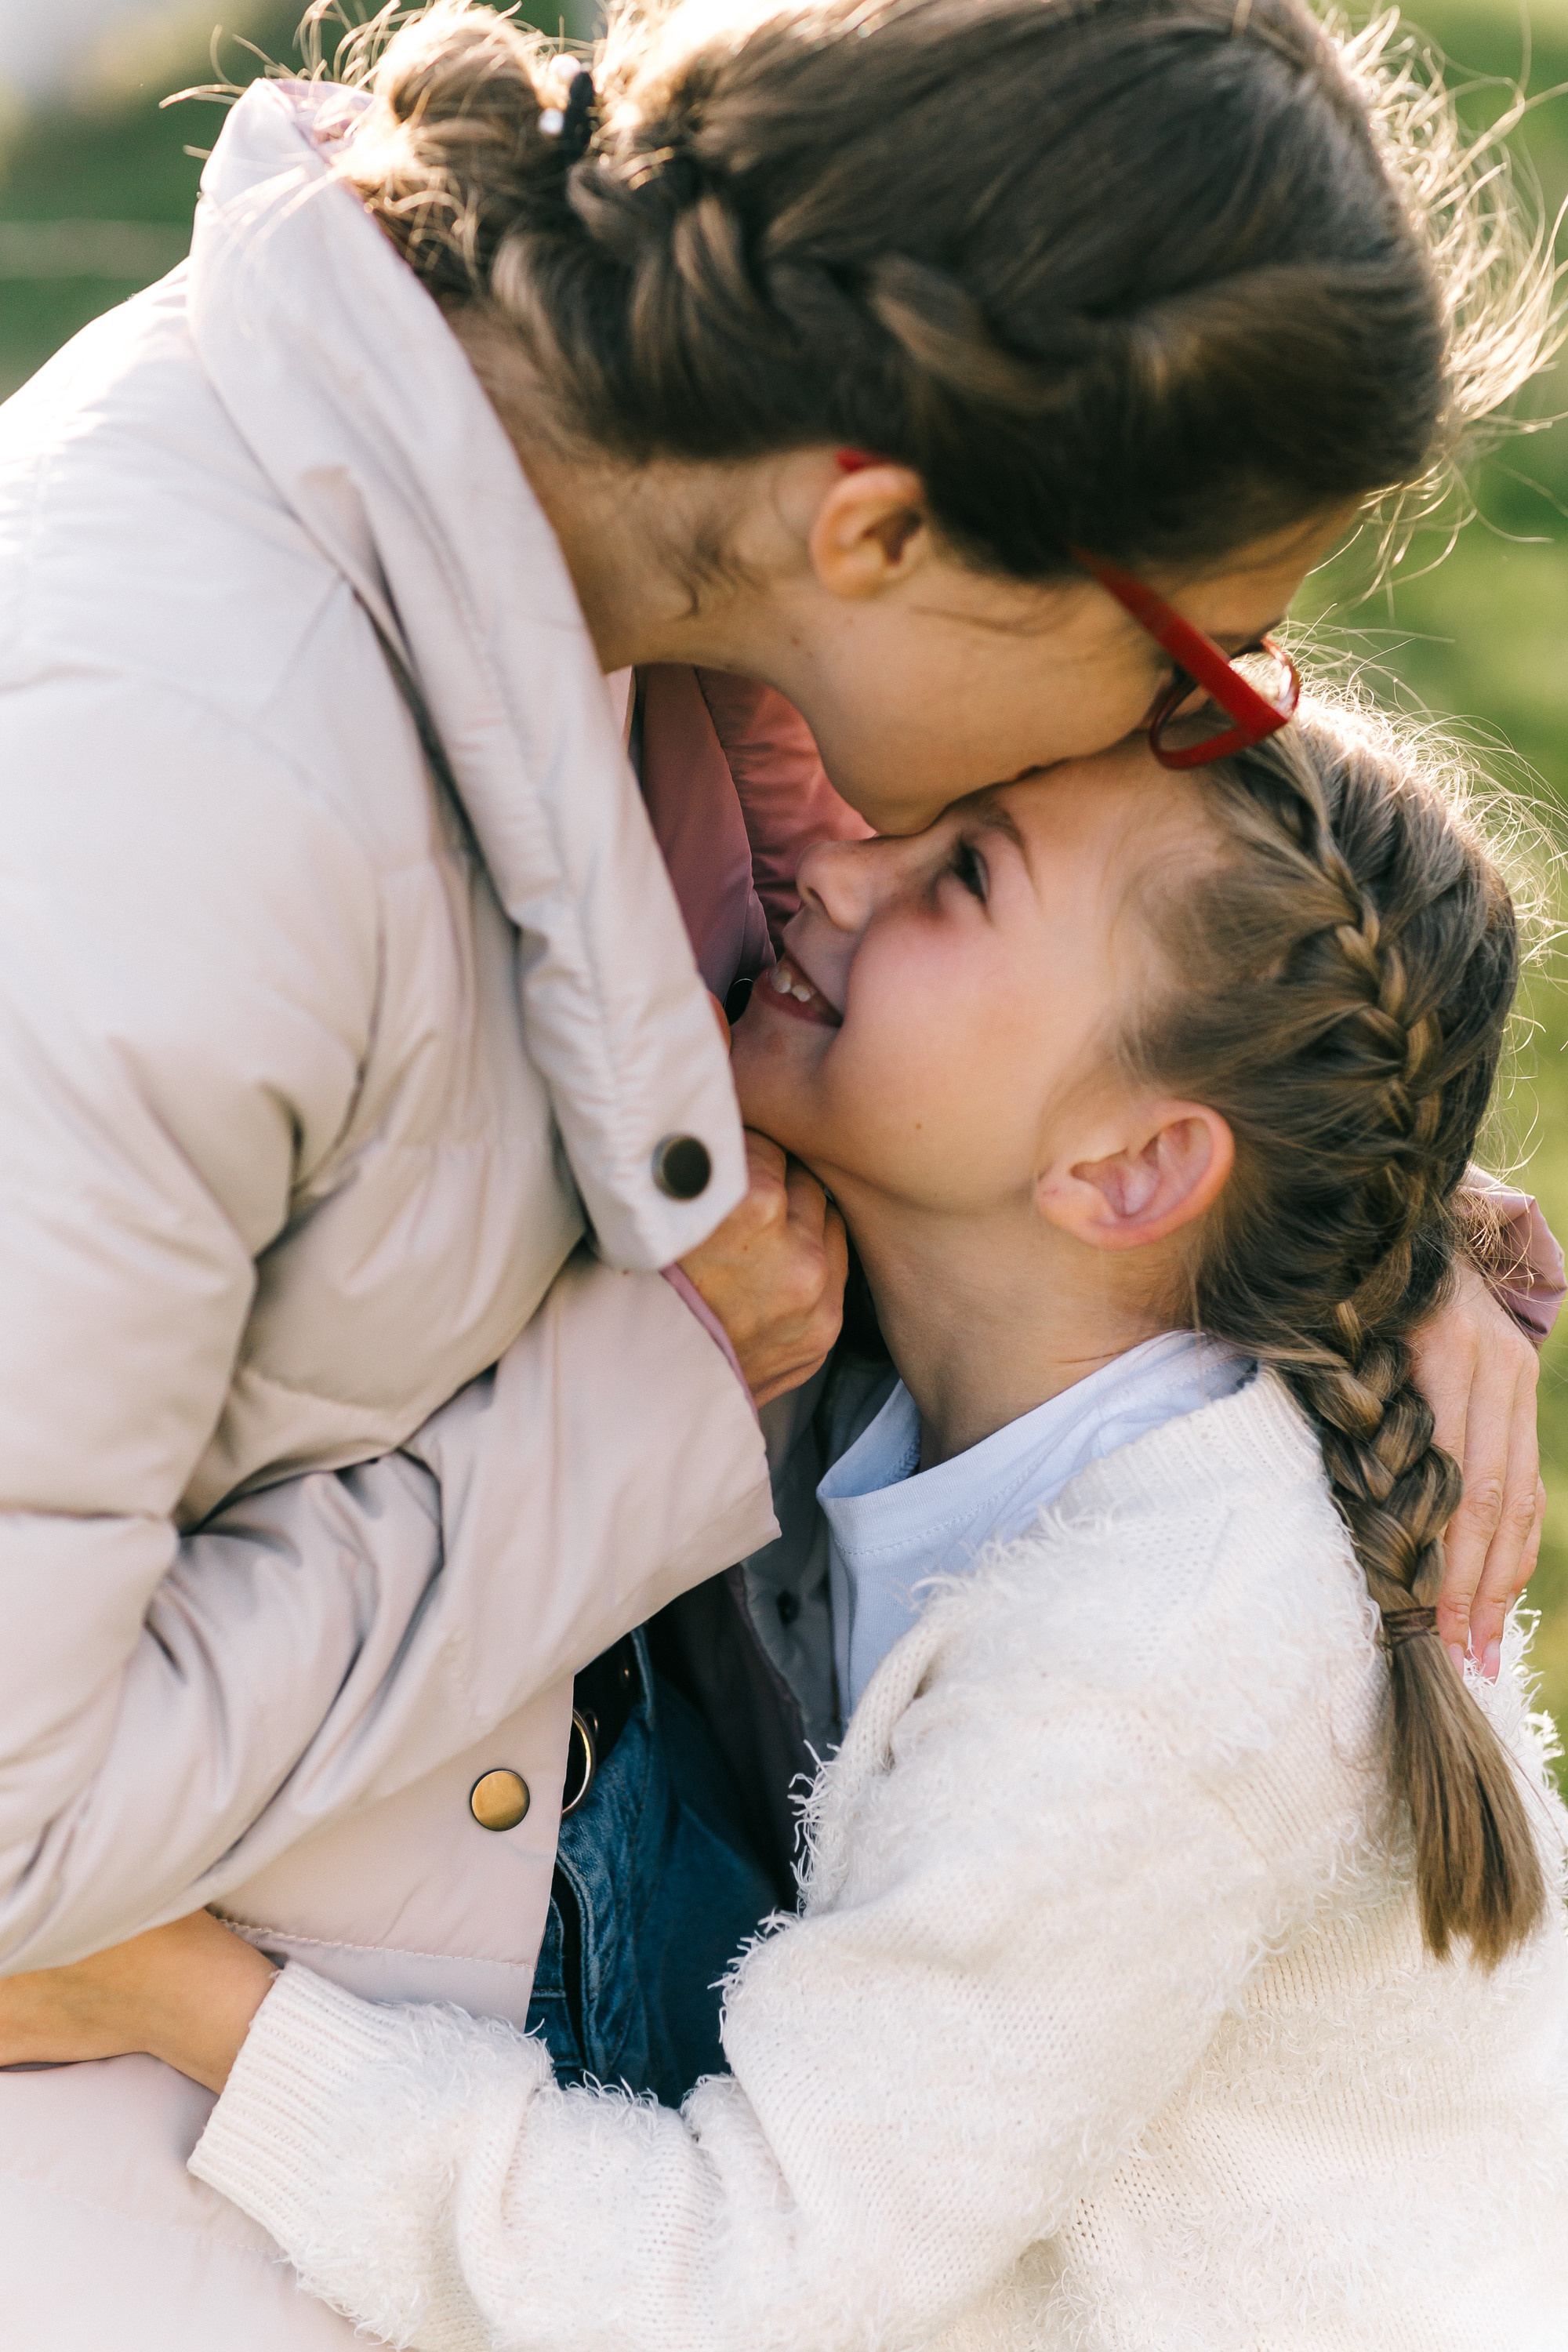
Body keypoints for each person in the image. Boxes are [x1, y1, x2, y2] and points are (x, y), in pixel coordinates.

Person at [0, 0, 1558, 2337]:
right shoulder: (182, 805)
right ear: (882, 525)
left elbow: (1133, 985)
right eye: (1210, 669)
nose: (1203, 739)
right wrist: (657, 1407)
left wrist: (1344, 1237)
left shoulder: (694, 615)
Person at [13, 694, 1566, 2347]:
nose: (834, 860)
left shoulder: (1151, 1661)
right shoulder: (940, 1379)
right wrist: (1424, 1242)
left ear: (1126, 1172)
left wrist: (173, 1995)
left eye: (962, 875)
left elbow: (738, 2288)